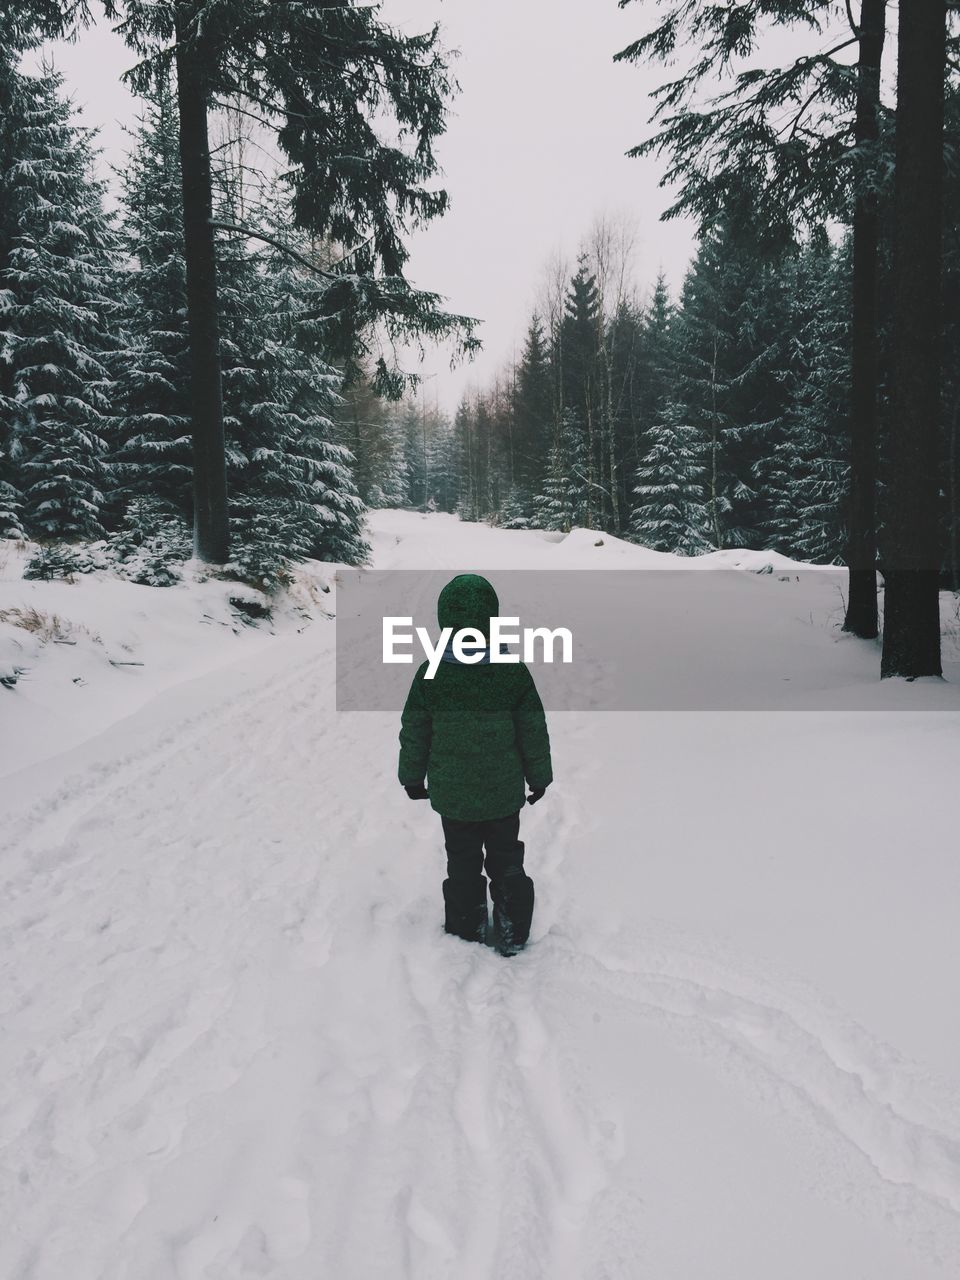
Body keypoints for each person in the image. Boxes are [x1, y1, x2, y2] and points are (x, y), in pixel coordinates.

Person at [398, 573, 552, 955]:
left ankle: (467, 932)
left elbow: (415, 728)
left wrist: (412, 777)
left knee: (463, 862)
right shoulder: (511, 669)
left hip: (455, 796)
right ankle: (513, 928)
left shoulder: (432, 671)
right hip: (502, 793)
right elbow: (532, 727)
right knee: (506, 859)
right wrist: (539, 777)